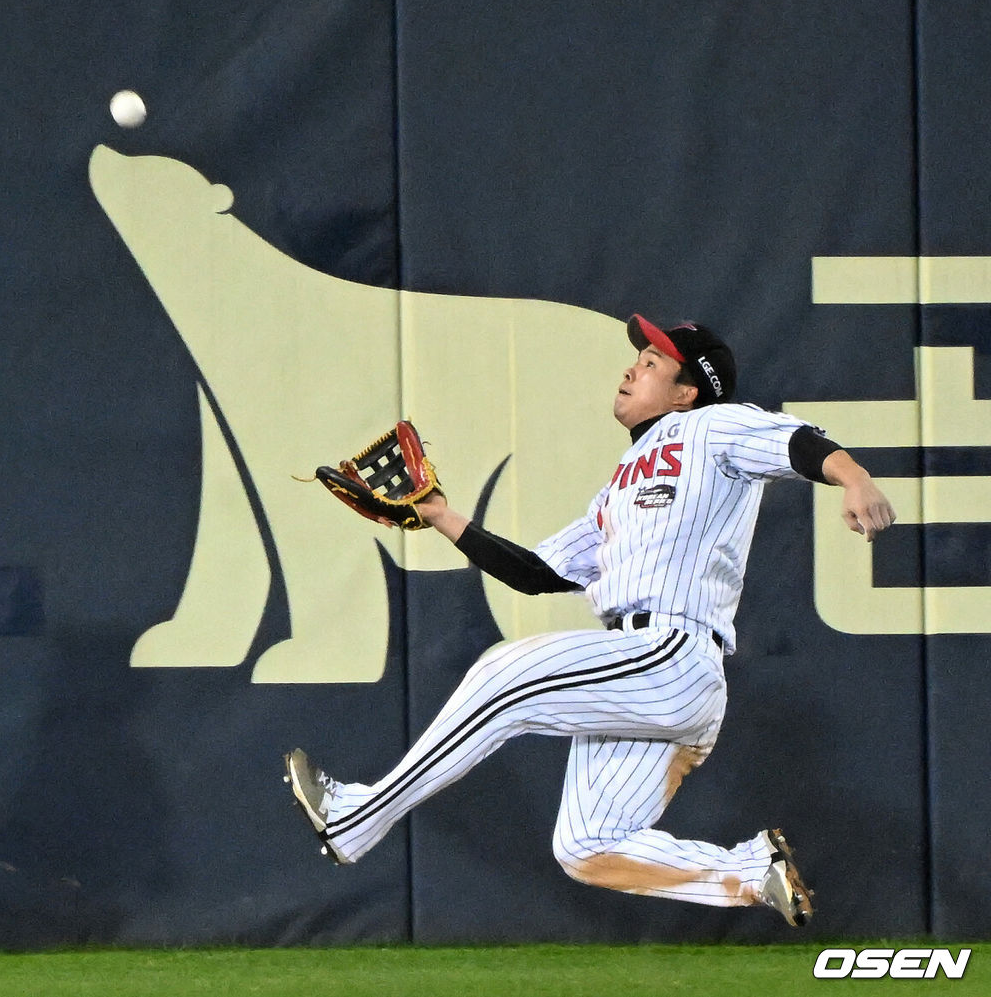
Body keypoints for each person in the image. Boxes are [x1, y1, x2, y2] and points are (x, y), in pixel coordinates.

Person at [284, 314, 896, 927]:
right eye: (640, 359)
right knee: (586, 845)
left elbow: (795, 443)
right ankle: (744, 873)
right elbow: (536, 573)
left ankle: (358, 817)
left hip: (672, 653)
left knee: (505, 675)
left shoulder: (710, 426)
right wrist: (441, 515)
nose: (633, 368)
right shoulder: (616, 493)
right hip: (646, 680)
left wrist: (854, 476)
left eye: (654, 364)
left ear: (686, 391)